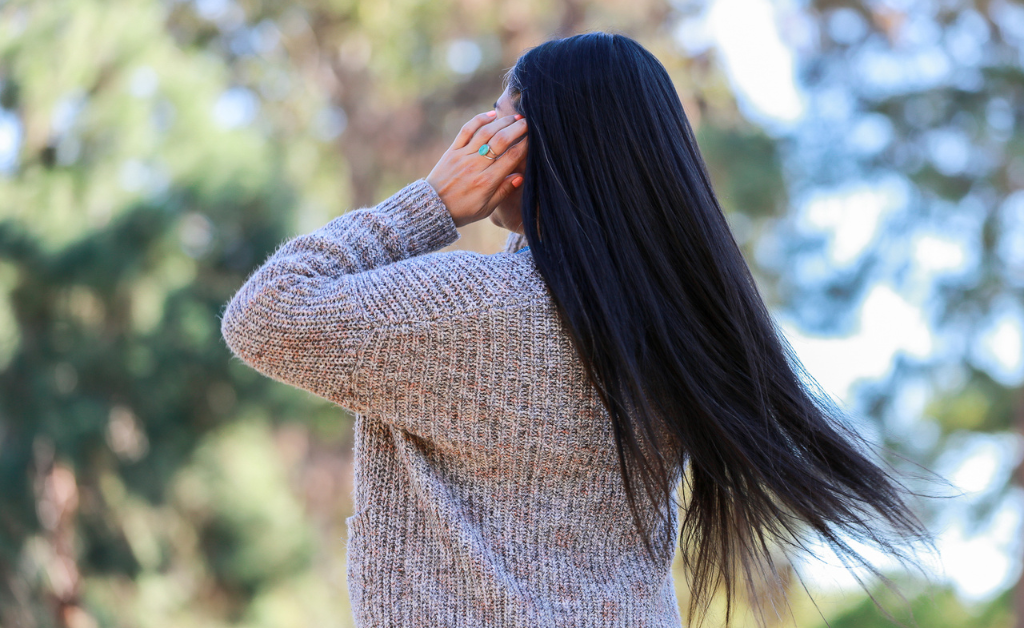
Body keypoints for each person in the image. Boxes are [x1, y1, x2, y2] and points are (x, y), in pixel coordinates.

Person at [220, 31, 933, 628]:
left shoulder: (478, 313)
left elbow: (264, 314)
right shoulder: (669, 335)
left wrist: (431, 201)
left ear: (529, 153)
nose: (477, 145)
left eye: (497, 129)